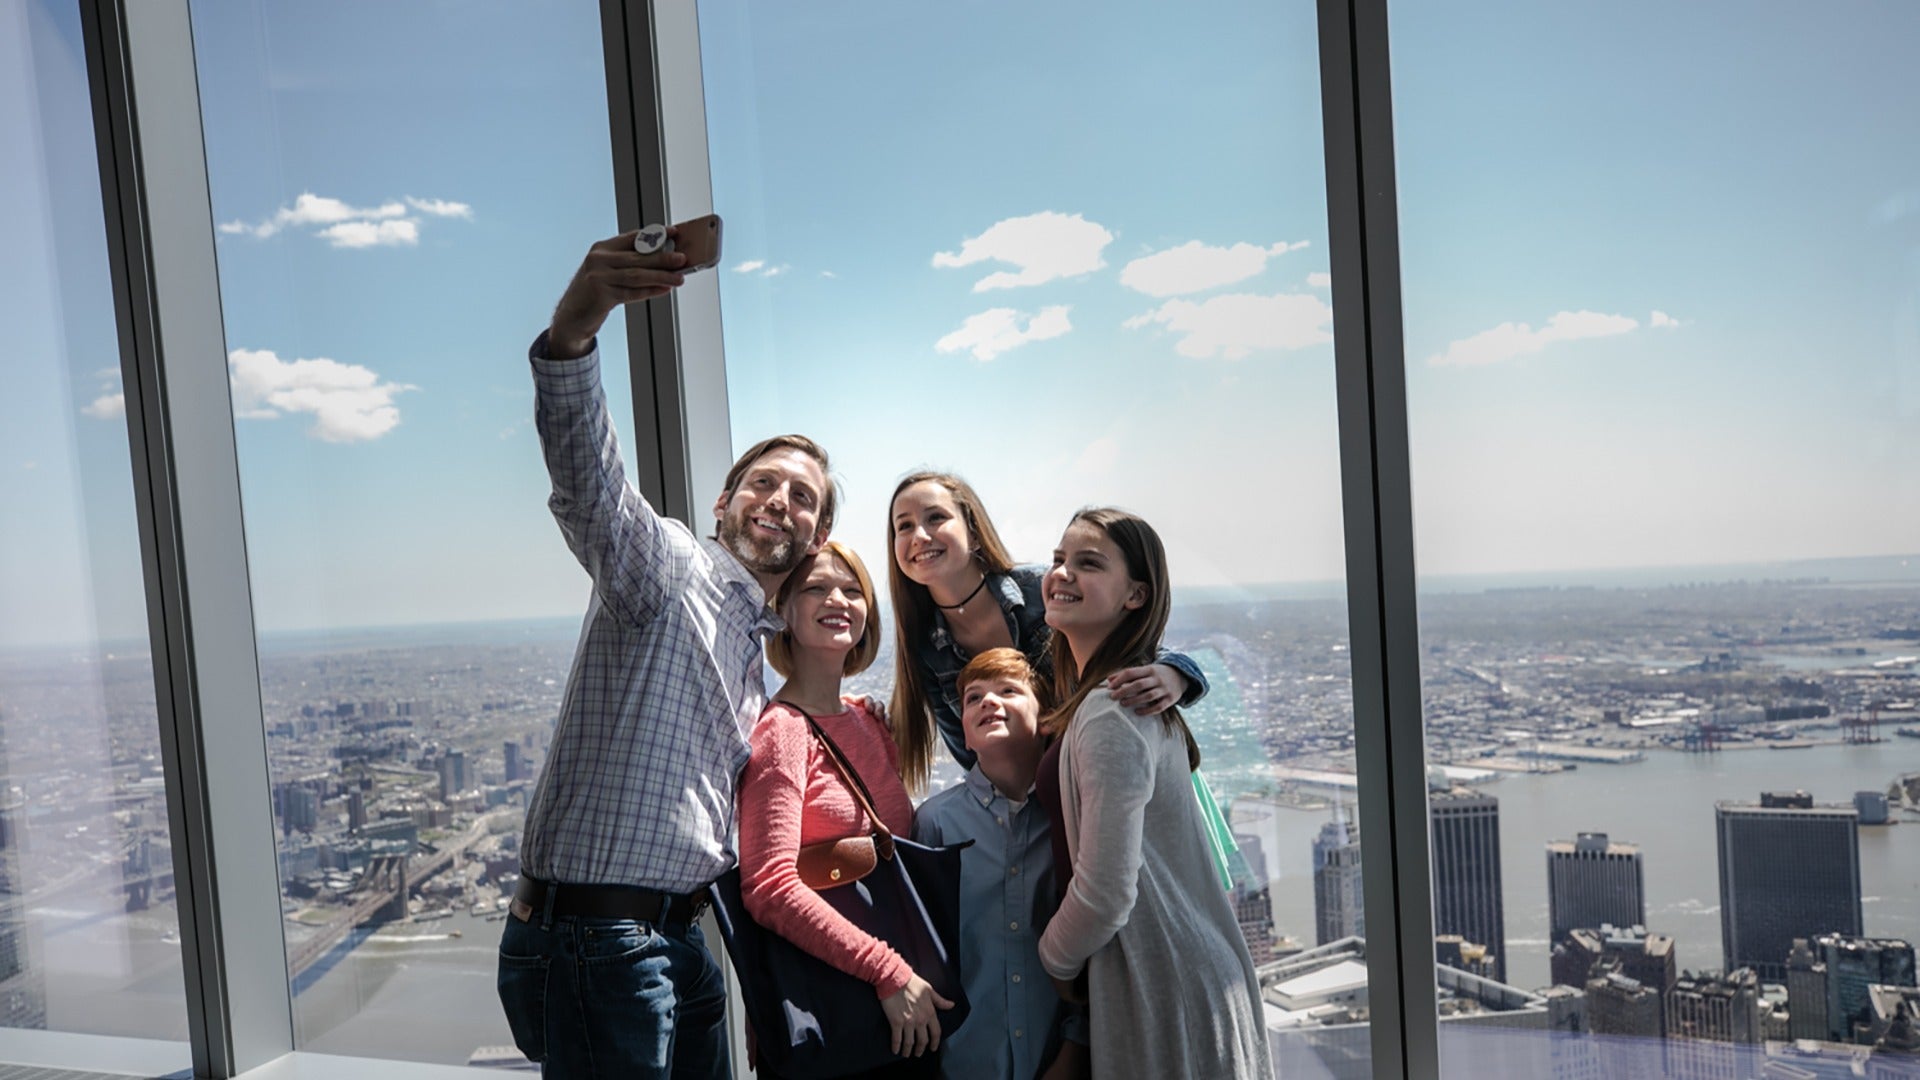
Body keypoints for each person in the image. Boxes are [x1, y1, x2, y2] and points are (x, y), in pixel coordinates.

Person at [498, 229, 834, 1079]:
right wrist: (576, 330)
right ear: (724, 502)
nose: (779, 501)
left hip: (682, 935)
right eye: (764, 483)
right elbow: (591, 485)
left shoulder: (757, 654)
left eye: (803, 498)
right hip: (602, 940)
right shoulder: (672, 568)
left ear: (816, 537)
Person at [1034, 509, 1273, 1078]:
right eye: (1057, 560)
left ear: (1135, 595)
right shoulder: (1130, 693)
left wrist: (1051, 960)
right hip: (1187, 982)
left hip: (1165, 987)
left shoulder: (1114, 709)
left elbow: (1104, 893)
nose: (1062, 574)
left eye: (1087, 563)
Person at [737, 542, 951, 1078]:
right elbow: (768, 886)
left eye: (853, 590)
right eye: (816, 588)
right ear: (783, 611)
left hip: (898, 1015)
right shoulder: (783, 731)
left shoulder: (866, 723)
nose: (839, 599)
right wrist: (886, 971)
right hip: (837, 1014)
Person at [885, 472, 1210, 791]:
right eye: (905, 526)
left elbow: (1132, 647)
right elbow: (976, 758)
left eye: (936, 518)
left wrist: (1175, 675)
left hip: (1122, 781)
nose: (920, 536)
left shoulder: (1040, 588)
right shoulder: (925, 648)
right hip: (1052, 807)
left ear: (971, 525)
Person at [912, 648, 1089, 1080]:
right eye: (973, 698)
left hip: (1060, 1059)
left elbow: (1095, 951)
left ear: (1046, 718)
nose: (988, 702)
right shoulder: (935, 824)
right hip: (966, 1061)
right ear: (966, 737)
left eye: (1008, 690)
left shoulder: (1073, 816)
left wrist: (1074, 1051)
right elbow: (922, 951)